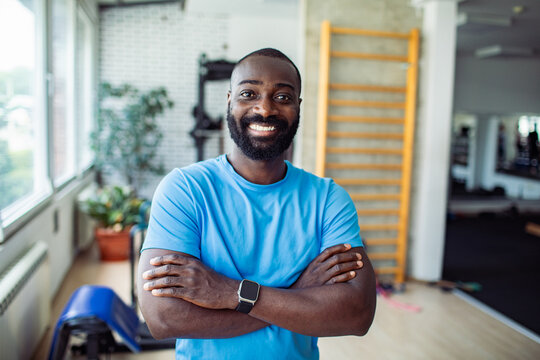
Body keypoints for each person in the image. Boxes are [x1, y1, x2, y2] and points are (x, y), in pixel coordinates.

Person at [138, 48, 376, 360]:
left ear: (298, 107)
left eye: (282, 97)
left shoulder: (328, 199)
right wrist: (296, 296)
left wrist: (227, 292)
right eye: (249, 93)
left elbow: (356, 315)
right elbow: (163, 318)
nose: (264, 109)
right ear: (229, 101)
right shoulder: (185, 190)